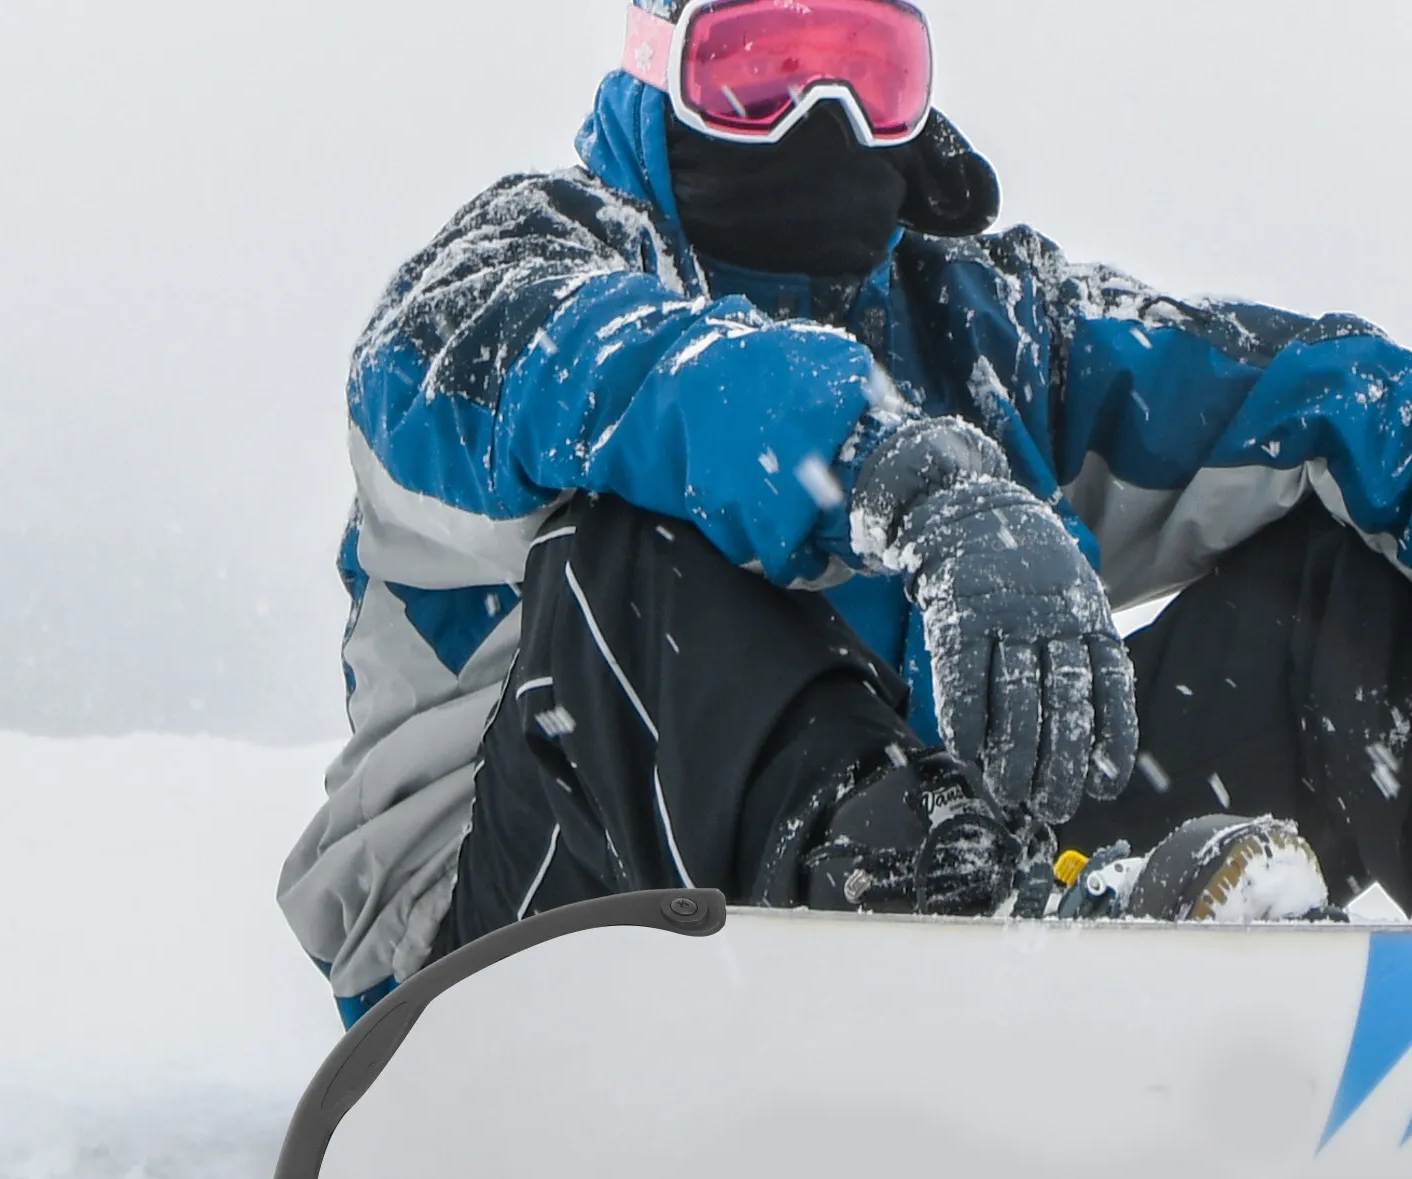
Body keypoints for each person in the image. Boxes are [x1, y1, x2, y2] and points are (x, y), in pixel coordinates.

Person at [279, 0, 1412, 1026]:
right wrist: (913, 479)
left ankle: (1080, 969)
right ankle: (950, 938)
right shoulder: (506, 277)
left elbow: (1306, 394)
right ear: (660, 68)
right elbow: (642, 378)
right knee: (647, 522)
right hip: (522, 950)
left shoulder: (977, 328)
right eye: (757, 70)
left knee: (1344, 593)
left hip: (977, 916)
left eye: (868, 74)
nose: (816, 119)